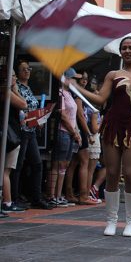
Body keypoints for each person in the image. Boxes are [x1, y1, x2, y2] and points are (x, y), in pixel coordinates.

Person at [70, 37, 131, 237]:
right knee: (113, 172)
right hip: (112, 126)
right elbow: (100, 99)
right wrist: (77, 88)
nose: (127, 51)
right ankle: (111, 220)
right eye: (124, 48)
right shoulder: (113, 74)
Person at [13, 61, 53, 209]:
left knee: (36, 164)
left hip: (31, 130)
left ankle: (36, 197)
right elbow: (22, 106)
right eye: (24, 69)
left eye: (29, 69)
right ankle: (14, 197)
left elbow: (31, 108)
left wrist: (38, 119)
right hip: (22, 130)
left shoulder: (28, 88)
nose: (27, 71)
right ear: (18, 72)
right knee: (18, 165)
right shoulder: (16, 87)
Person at [47, 68, 82, 208]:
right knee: (58, 164)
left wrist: (76, 132)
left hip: (70, 132)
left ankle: (58, 195)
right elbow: (63, 115)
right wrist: (73, 132)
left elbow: (73, 116)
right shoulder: (60, 93)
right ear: (66, 79)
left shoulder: (68, 94)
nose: (75, 81)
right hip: (63, 132)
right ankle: (52, 195)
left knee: (64, 165)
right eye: (73, 78)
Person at [64, 71, 99, 206]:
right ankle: (83, 195)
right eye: (78, 79)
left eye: (85, 79)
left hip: (77, 129)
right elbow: (80, 115)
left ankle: (70, 193)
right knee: (83, 162)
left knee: (73, 163)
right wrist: (88, 133)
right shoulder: (77, 95)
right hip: (78, 129)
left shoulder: (76, 93)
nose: (83, 81)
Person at [2, 70, 27, 213]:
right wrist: (16, 90)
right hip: (11, 134)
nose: (15, 78)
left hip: (9, 132)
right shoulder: (7, 92)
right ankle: (8, 202)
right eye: (13, 75)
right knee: (6, 170)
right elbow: (23, 104)